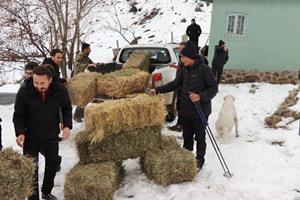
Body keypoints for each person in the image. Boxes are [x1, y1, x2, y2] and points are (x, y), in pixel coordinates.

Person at [150, 42, 218, 170]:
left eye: (183, 57)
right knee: (187, 136)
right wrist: (158, 90)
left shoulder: (204, 69)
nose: (181, 59)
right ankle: (187, 158)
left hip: (200, 111)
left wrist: (200, 96)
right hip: (186, 110)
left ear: (190, 56)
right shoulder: (184, 69)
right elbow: (175, 84)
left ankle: (199, 159)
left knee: (199, 137)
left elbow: (214, 88)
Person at [13, 66, 72, 200]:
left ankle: (46, 191)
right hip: (31, 135)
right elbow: (19, 115)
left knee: (52, 164)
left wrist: (67, 126)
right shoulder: (24, 91)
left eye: (42, 83)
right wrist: (20, 132)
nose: (39, 86)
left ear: (50, 80)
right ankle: (33, 197)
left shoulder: (60, 90)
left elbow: (67, 108)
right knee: (31, 168)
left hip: (51, 134)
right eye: (36, 82)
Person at [72, 43, 96, 122]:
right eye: (89, 49)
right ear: (85, 49)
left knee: (85, 97)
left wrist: (96, 65)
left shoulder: (86, 57)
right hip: (78, 80)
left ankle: (80, 114)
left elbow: (91, 63)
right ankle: (77, 115)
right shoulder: (80, 56)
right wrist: (88, 65)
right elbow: (79, 65)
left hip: (83, 79)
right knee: (83, 97)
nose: (90, 50)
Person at [167, 42, 186, 132]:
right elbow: (181, 67)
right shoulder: (181, 58)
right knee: (179, 106)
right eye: (179, 48)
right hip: (179, 85)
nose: (179, 50)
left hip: (183, 87)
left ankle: (181, 126)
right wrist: (176, 66)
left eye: (181, 48)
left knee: (181, 107)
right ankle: (180, 124)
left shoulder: (185, 59)